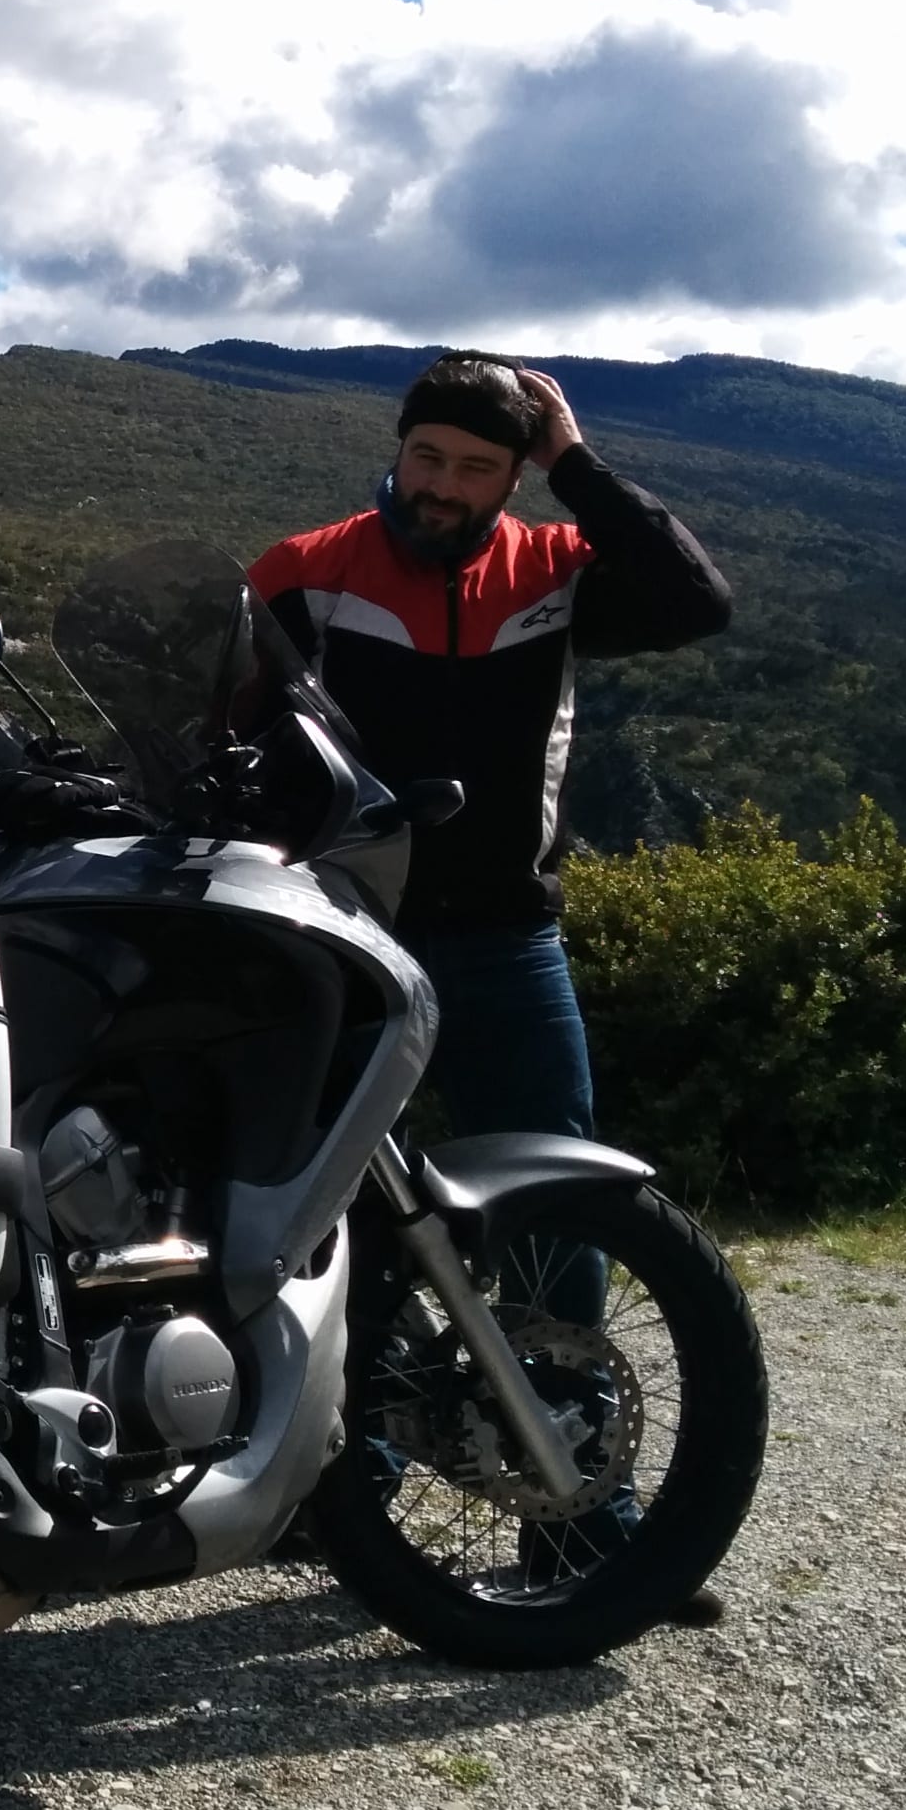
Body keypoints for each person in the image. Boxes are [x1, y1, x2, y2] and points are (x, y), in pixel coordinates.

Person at [249, 354, 733, 1613]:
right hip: (344, 933)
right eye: (429, 458)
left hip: (510, 939)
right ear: (396, 448)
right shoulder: (304, 573)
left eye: (477, 468)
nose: (444, 488)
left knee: (560, 1219)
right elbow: (223, 735)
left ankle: (578, 1511)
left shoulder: (555, 575)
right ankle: (338, 1491)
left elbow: (694, 602)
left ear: (512, 476)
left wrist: (577, 460)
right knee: (332, 1220)